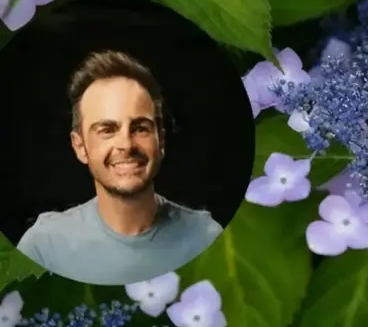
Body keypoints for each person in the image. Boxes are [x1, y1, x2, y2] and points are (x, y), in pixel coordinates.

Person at [16, 50, 223, 285]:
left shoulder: (206, 238)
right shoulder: (44, 246)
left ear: (161, 141)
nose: (125, 144)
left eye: (140, 128)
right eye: (107, 130)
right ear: (80, 146)